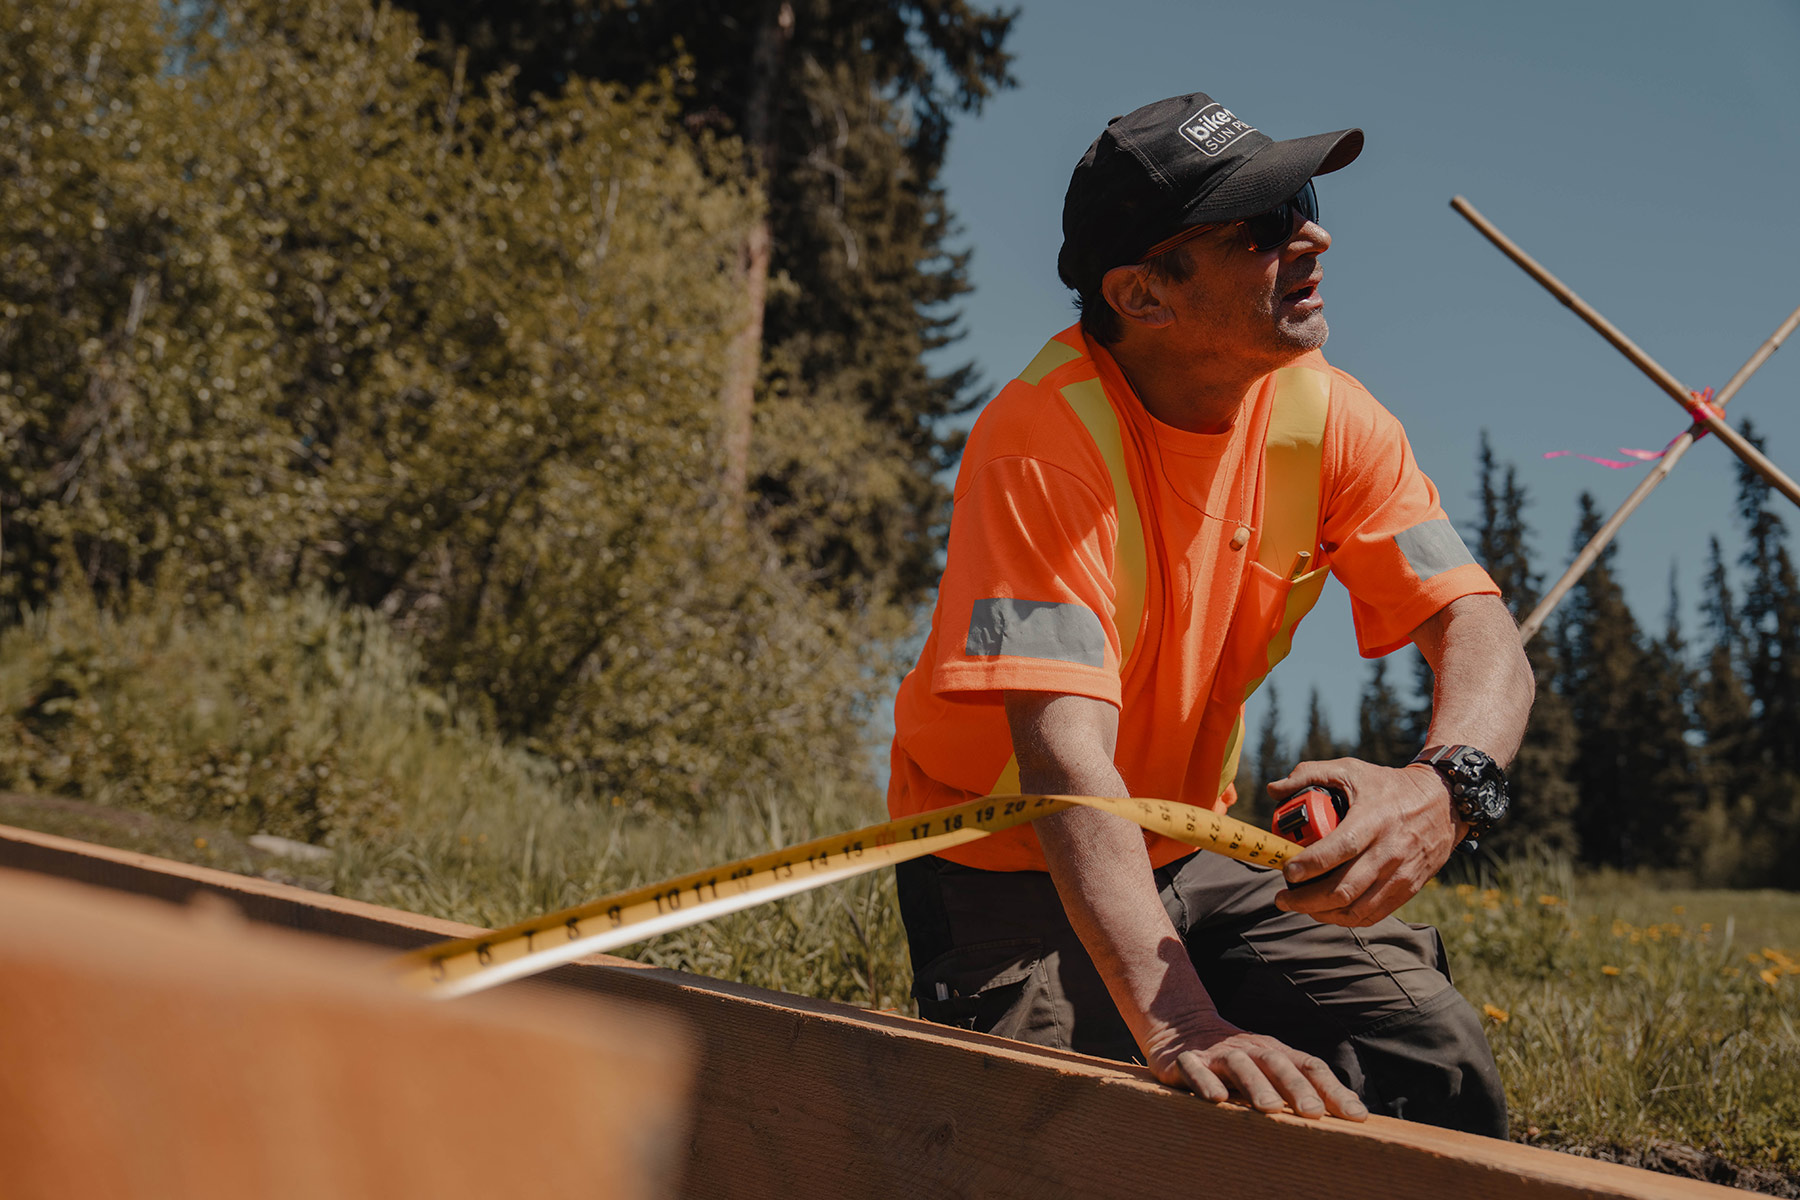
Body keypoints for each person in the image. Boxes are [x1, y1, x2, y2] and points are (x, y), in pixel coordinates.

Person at [886, 91, 1533, 1135]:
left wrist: (1445, 787)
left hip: (1183, 847)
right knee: (1047, 1138)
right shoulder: (1040, 446)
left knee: (1432, 1058)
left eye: (1307, 202)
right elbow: (1066, 772)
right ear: (1144, 294)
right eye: (1263, 227)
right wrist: (1185, 1022)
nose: (1313, 235)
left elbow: (1481, 629)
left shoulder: (1333, 419)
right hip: (1001, 861)